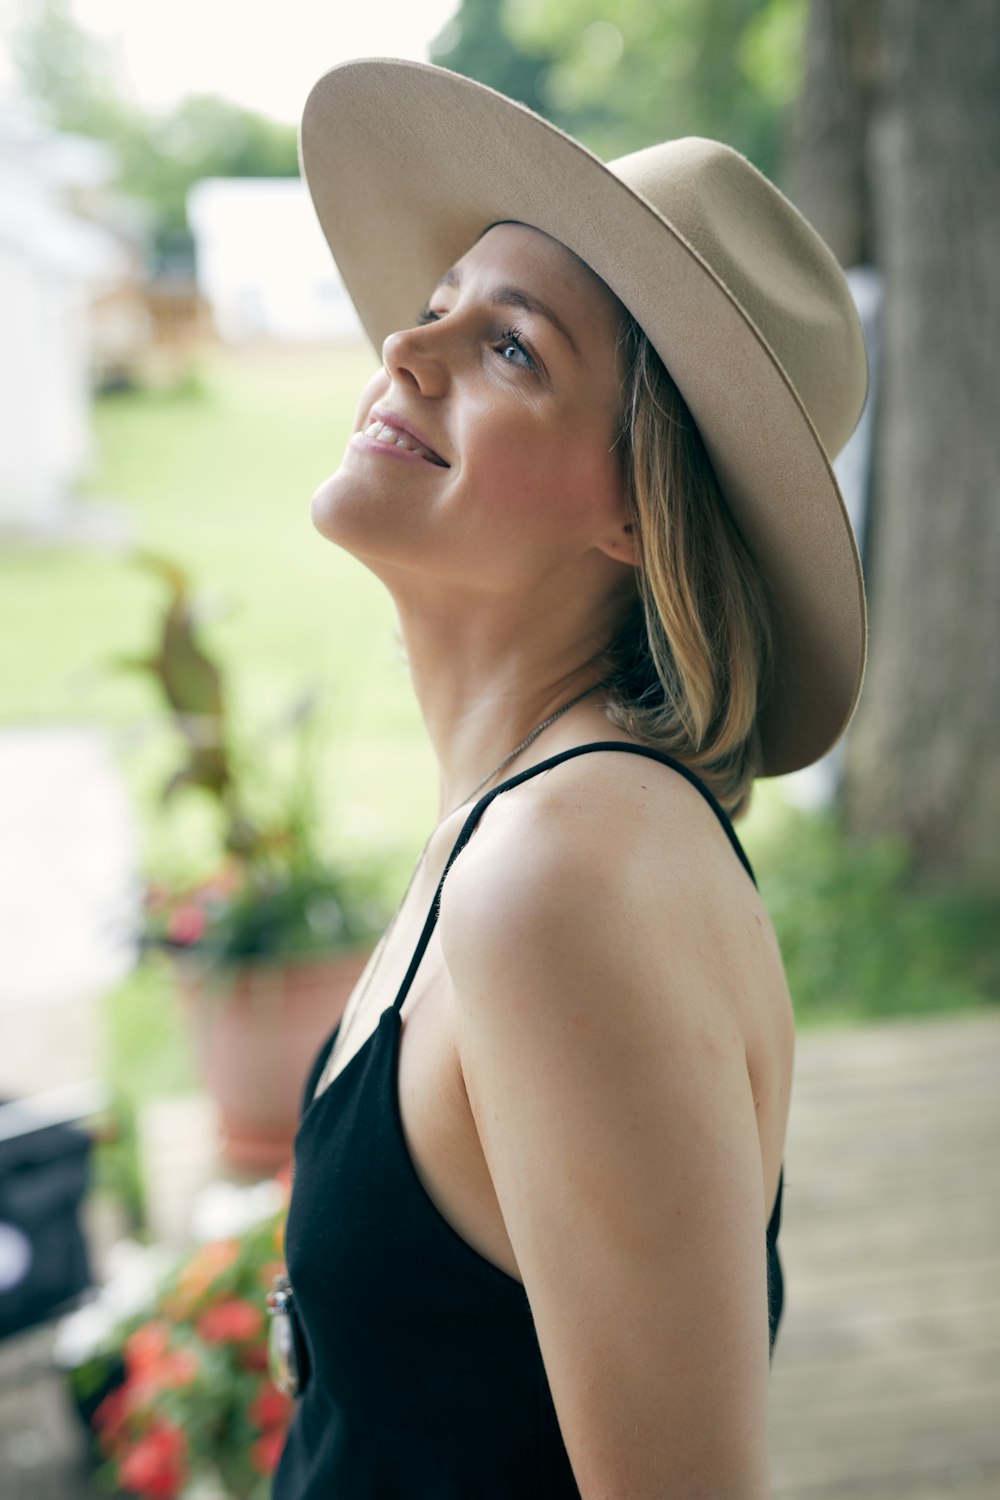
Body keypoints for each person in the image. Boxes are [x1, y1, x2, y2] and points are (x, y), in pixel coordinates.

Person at [268, 58, 868, 1500]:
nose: (408, 355)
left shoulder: (563, 880)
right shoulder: (518, 824)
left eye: (513, 349)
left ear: (634, 510)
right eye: (436, 311)